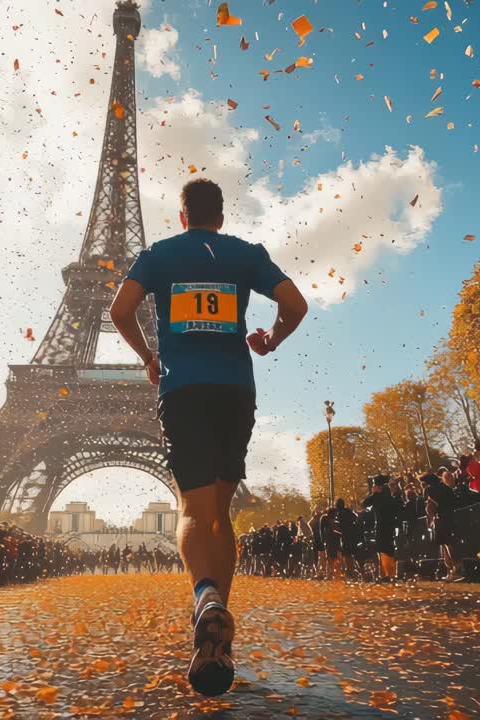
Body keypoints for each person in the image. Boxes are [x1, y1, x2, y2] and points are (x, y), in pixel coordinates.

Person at [109, 177, 308, 696]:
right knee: (223, 514)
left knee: (193, 511)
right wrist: (270, 339)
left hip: (184, 391)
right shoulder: (246, 254)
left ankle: (204, 599)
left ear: (181, 215)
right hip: (235, 391)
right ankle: (220, 611)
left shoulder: (158, 255)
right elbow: (297, 305)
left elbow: (119, 311)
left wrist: (149, 357)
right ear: (220, 216)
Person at [362, 475, 402, 581]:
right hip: (390, 526)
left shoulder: (377, 496)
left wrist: (374, 493)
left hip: (380, 526)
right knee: (389, 549)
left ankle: (384, 574)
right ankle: (391, 573)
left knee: (381, 550)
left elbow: (364, 504)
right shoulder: (391, 497)